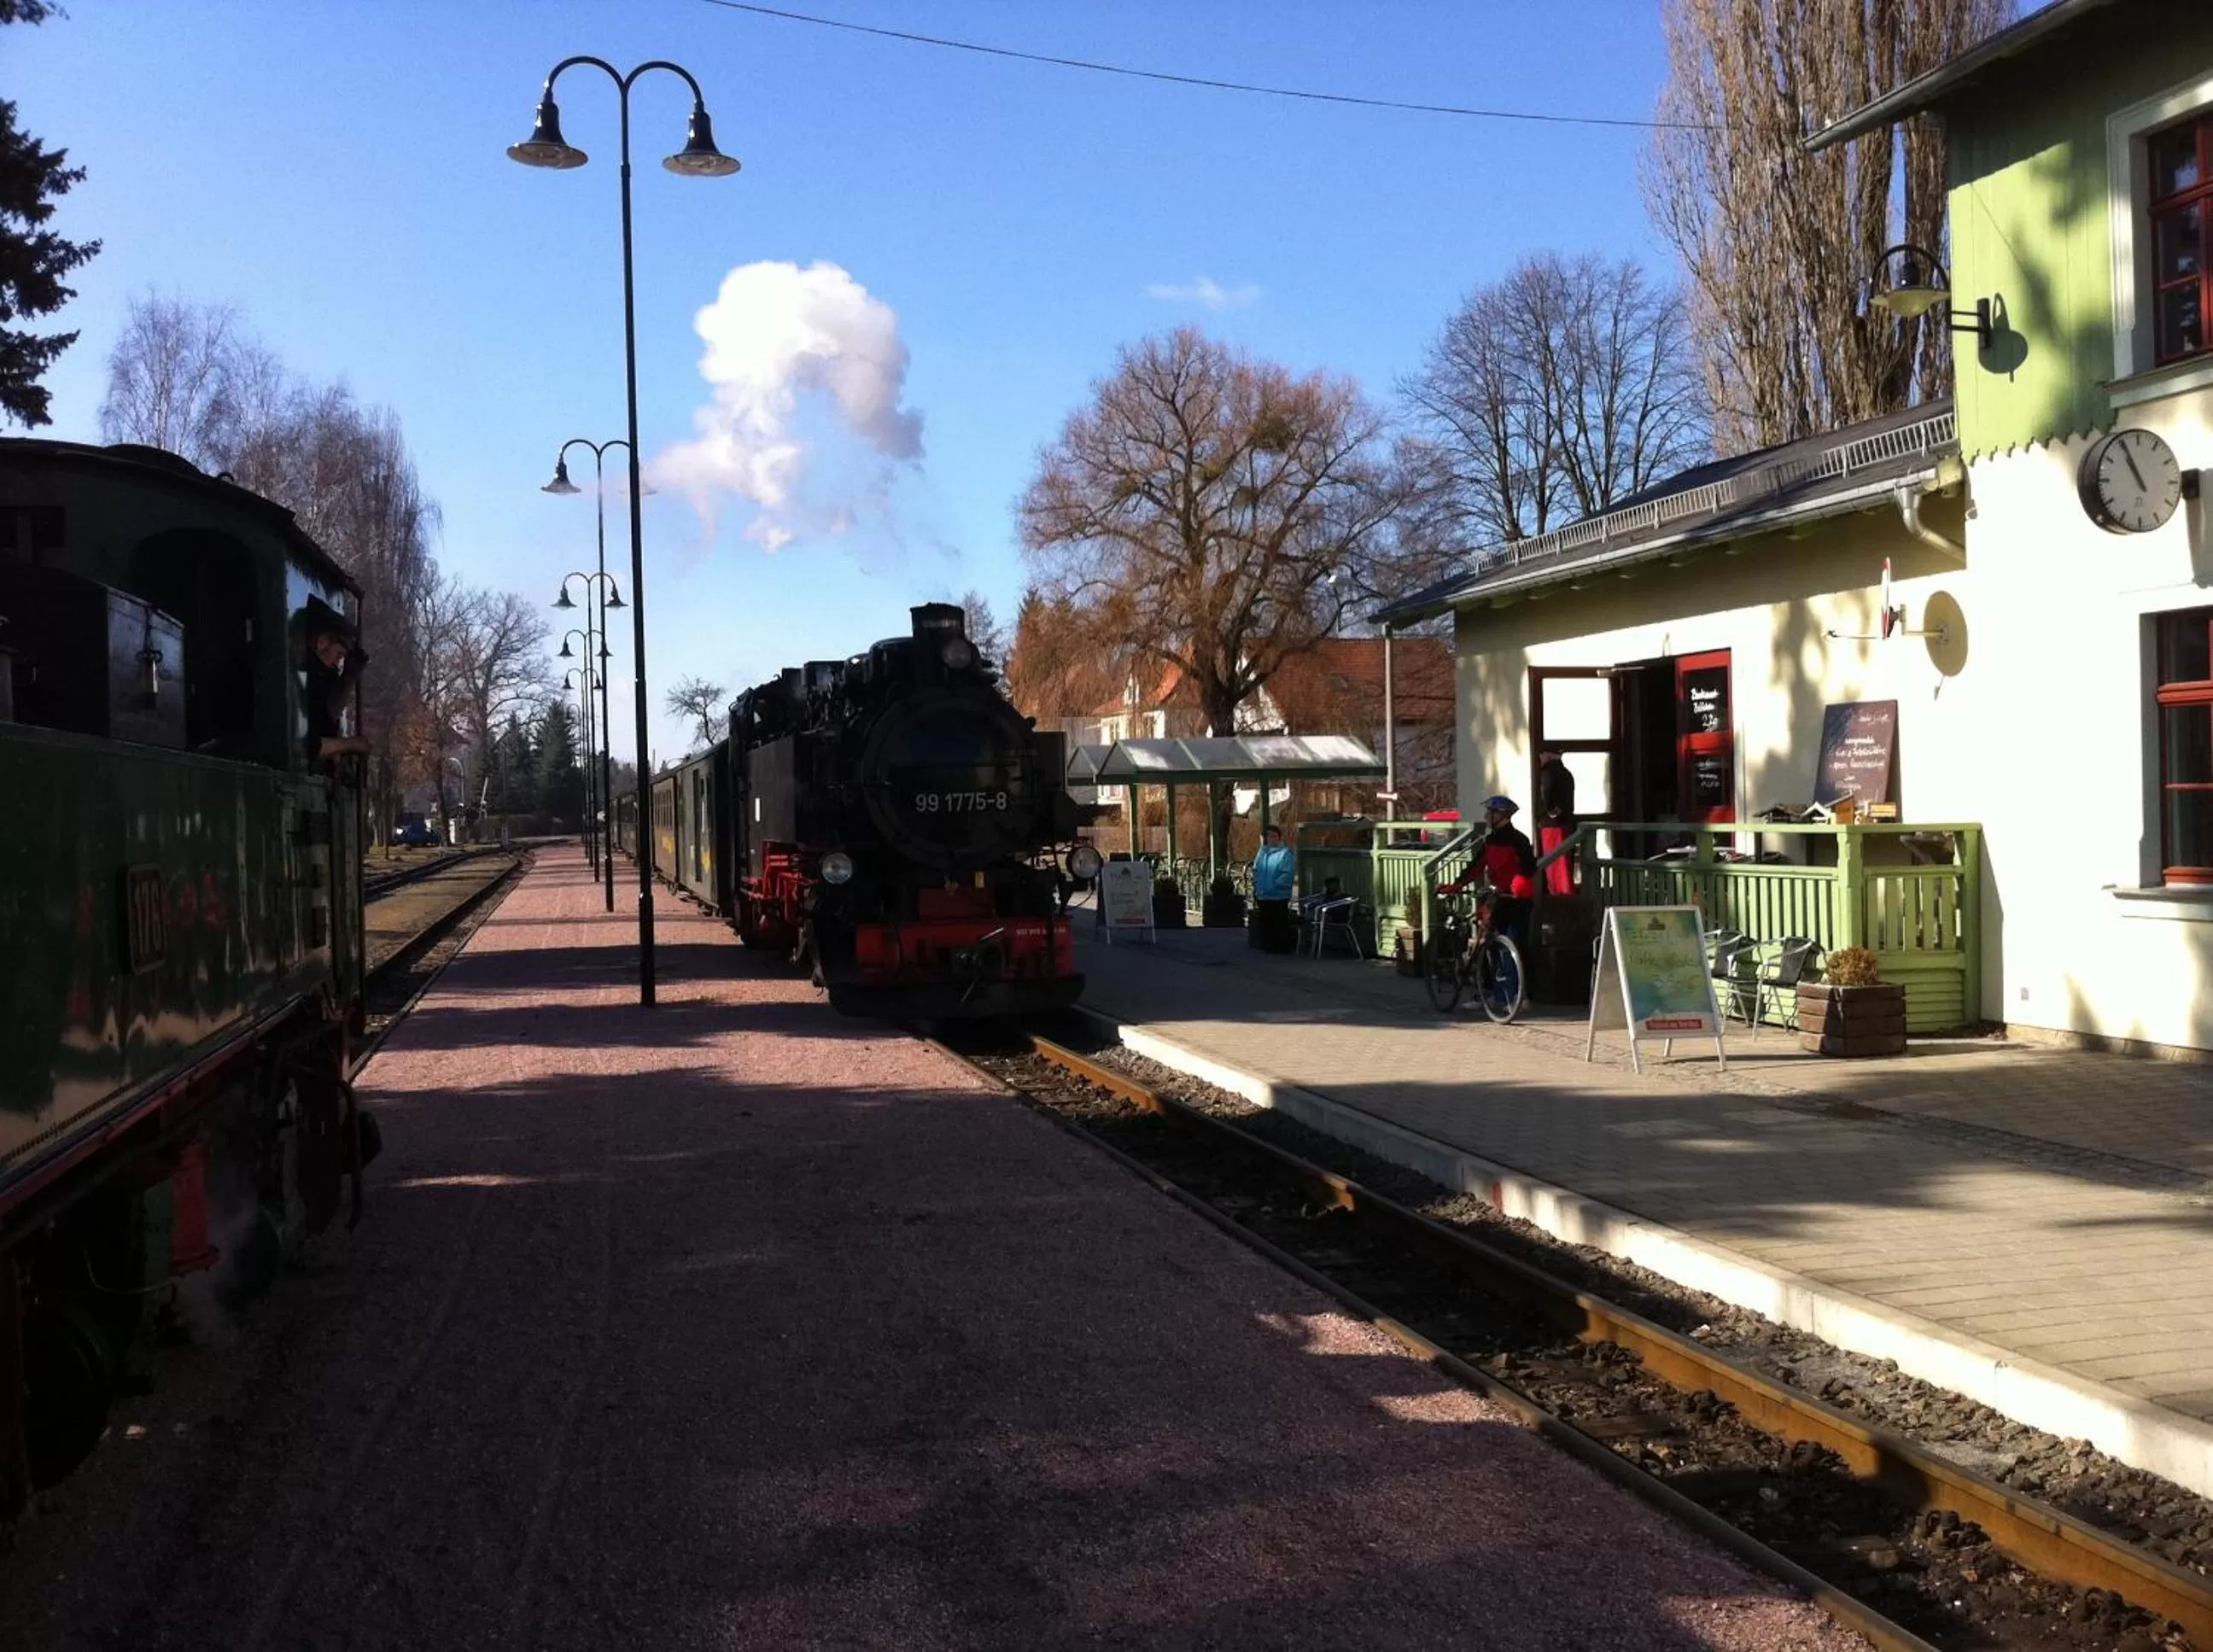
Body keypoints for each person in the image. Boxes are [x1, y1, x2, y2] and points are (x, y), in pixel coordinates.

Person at [1445, 795, 1536, 954]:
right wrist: (1458, 883)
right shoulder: (1490, 841)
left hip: (1516, 899)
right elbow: (1476, 867)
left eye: (1490, 812)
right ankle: (1487, 977)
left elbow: (1529, 866)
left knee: (1516, 945)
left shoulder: (1519, 840)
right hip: (1497, 898)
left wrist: (1521, 881)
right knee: (1490, 943)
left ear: (1501, 815)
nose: (1486, 816)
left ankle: (1513, 978)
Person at [300, 602, 371, 765]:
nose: (338, 662)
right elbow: (305, 746)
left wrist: (349, 676)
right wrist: (350, 744)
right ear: (322, 642)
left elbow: (330, 712)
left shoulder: (323, 673)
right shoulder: (297, 678)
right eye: (339, 654)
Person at [1249, 823, 1297, 952]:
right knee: (1265, 921)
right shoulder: (1262, 852)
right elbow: (1256, 869)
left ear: (1279, 838)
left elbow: (1288, 873)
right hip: (1263, 894)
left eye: (1274, 836)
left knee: (1279, 921)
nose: (1271, 839)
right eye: (1269, 836)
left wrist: (1275, 885)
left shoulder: (1285, 853)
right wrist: (1256, 884)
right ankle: (1267, 945)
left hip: (1278, 895)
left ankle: (1280, 947)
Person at [1537, 748, 1577, 897]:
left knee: (1555, 864)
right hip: (1566, 822)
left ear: (1548, 755)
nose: (1540, 757)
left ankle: (1559, 895)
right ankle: (1565, 893)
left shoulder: (1548, 772)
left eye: (1542, 753)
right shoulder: (1566, 773)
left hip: (1553, 825)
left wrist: (1550, 810)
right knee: (1565, 863)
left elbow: (1546, 791)